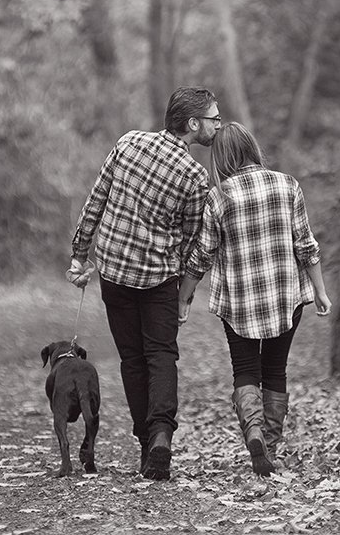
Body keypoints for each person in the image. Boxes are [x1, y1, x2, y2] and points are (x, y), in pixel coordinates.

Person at [66, 86, 220, 481]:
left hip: (115, 275)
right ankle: (161, 436)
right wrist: (183, 293)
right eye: (213, 119)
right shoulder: (194, 176)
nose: (217, 125)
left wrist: (80, 254)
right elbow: (189, 239)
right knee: (162, 354)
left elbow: (95, 201)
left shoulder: (128, 143)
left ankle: (144, 441)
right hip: (158, 280)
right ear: (192, 124)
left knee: (133, 360)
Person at [178, 122, 332, 476]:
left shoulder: (219, 197)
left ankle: (254, 433)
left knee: (245, 370)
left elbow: (203, 254)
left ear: (222, 156)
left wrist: (183, 298)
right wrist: (320, 290)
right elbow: (305, 244)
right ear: (252, 147)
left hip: (239, 302)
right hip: (285, 296)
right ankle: (271, 446)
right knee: (275, 370)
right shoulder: (287, 184)